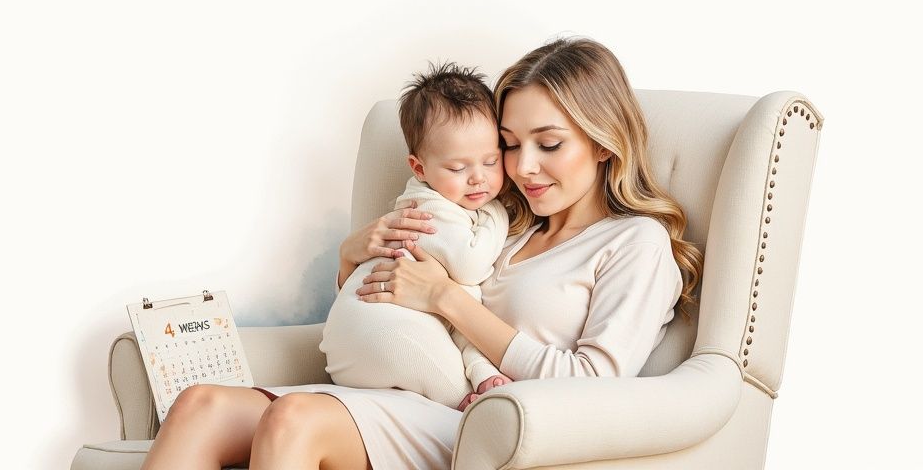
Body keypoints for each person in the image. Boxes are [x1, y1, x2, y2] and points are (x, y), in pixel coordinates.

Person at [139, 37, 703, 470]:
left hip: (495, 421)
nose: (523, 166)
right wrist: (351, 256)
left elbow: (593, 386)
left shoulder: (636, 243)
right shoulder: (499, 222)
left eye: (549, 144)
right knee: (200, 407)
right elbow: (395, 308)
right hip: (412, 393)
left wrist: (447, 300)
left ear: (603, 142)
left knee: (295, 420)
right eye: (508, 144)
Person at [319, 62, 510, 409]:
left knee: (463, 304)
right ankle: (464, 399)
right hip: (385, 331)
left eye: (491, 161)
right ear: (420, 168)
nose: (478, 178)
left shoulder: (442, 202)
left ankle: (480, 371)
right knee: (463, 403)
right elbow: (471, 265)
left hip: (353, 335)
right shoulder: (429, 210)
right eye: (457, 167)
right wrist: (497, 212)